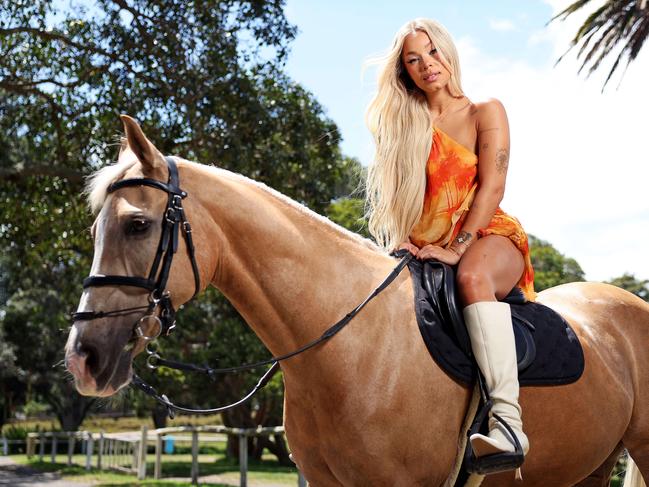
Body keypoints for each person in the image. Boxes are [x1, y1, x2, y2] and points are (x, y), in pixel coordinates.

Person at [364, 18, 536, 475]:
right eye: (413, 60)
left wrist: (459, 246)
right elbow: (407, 199)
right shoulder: (406, 125)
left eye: (433, 52)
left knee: (473, 277)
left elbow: (492, 187)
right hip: (427, 243)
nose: (427, 65)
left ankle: (507, 423)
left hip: (488, 234)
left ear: (448, 52)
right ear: (404, 71)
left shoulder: (485, 111)